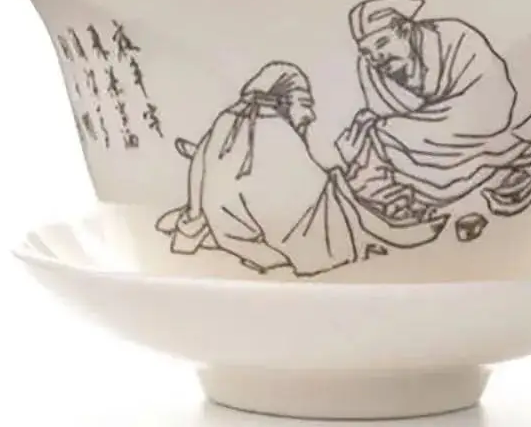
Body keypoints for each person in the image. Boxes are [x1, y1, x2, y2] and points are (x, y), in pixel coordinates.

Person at [156, 61, 447, 277]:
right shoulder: (275, 129)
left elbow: (199, 172)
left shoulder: (226, 121)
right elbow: (309, 192)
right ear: (284, 100)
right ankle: (389, 233)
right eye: (305, 103)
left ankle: (389, 229)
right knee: (337, 190)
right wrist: (342, 167)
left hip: (232, 234)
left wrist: (190, 226)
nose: (310, 113)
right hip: (276, 240)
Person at [337, 0, 531, 210]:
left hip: (476, 112)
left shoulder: (454, 37)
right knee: (379, 140)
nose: (376, 58)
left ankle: (501, 178)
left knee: (388, 136)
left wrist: (400, 130)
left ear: (406, 30)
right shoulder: (370, 69)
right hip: (422, 128)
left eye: (382, 43)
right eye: (367, 52)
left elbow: (489, 93)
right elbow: (383, 113)